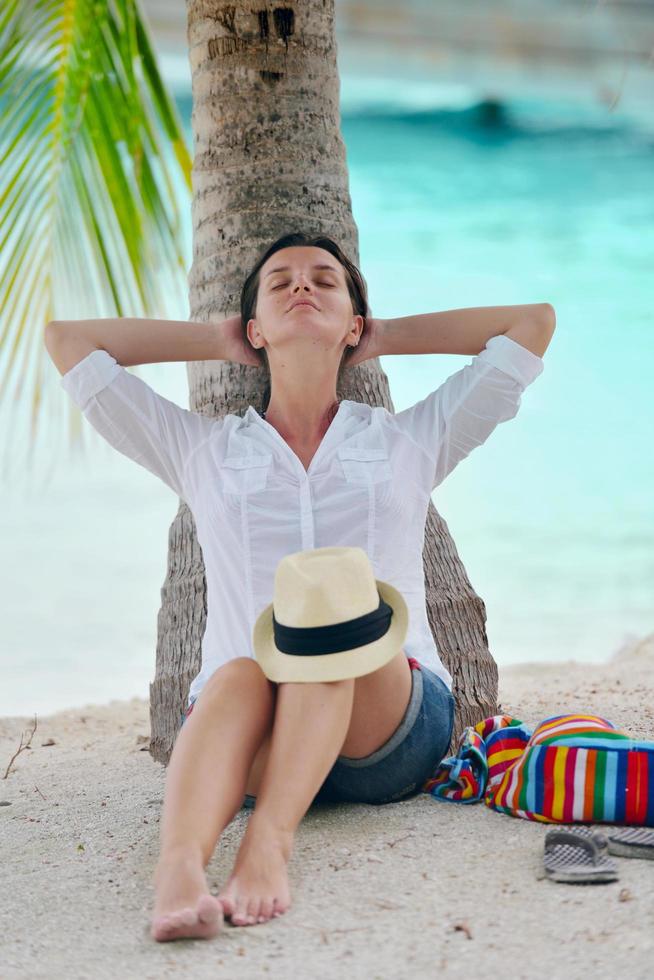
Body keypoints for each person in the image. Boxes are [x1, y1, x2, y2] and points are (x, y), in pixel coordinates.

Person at [44, 231, 554, 942]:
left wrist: (379, 337)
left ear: (353, 322)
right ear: (255, 327)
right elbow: (69, 341)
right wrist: (220, 342)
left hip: (390, 727)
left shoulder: (410, 440)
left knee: (334, 627)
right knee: (241, 672)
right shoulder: (203, 450)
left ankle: (267, 846)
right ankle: (180, 869)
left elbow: (530, 325)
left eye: (324, 280)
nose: (302, 286)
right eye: (279, 282)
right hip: (248, 732)